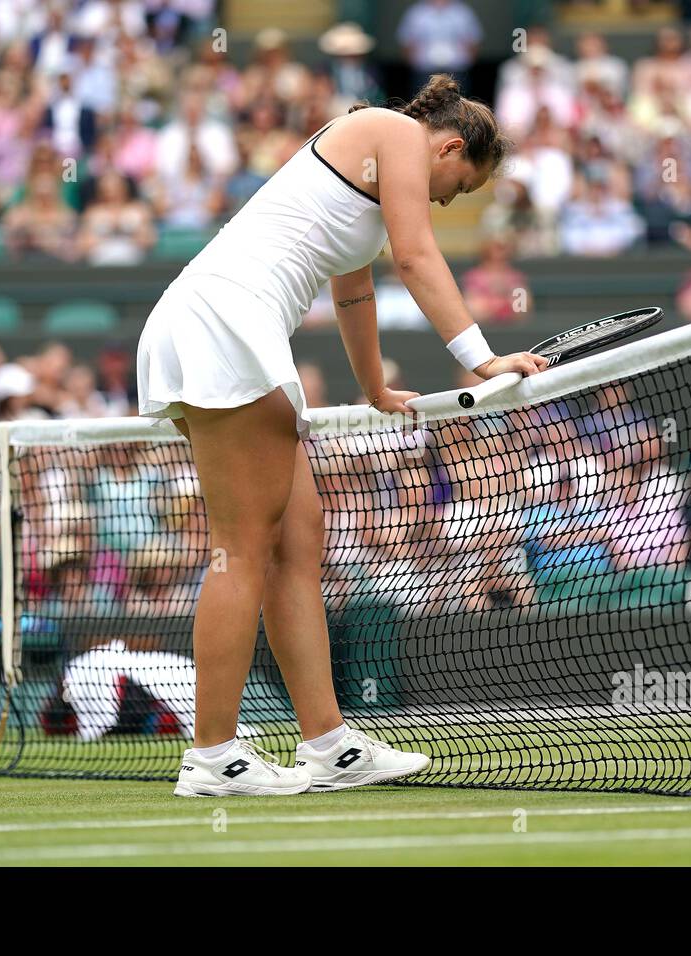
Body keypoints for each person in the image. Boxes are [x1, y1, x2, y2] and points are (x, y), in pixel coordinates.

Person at [136, 74, 546, 797]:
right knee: (240, 547)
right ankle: (214, 757)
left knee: (299, 538)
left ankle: (328, 745)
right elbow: (417, 258)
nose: (445, 199)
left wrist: (377, 387)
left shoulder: (368, 167)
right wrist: (481, 360)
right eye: (456, 186)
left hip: (220, 325)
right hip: (223, 324)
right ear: (449, 145)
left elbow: (354, 289)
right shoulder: (392, 133)